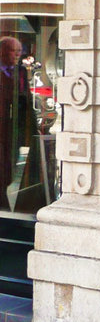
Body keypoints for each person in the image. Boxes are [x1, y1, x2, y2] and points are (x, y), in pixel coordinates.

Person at [0, 36, 38, 211]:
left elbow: (26, 100)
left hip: (12, 131)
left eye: (18, 51)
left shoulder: (21, 72)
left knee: (9, 170)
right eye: (13, 50)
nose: (17, 54)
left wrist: (33, 130)